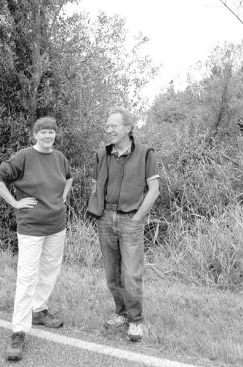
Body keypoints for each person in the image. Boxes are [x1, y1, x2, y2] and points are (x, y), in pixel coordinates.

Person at [0, 116, 73, 361]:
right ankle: (18, 330)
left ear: (56, 135)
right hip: (31, 227)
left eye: (52, 132)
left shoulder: (59, 158)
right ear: (35, 134)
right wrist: (15, 202)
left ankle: (39, 311)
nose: (48, 136)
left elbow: (69, 177)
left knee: (49, 270)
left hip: (57, 226)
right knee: (27, 277)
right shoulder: (24, 156)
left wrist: (64, 197)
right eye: (43, 132)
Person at [87, 107, 159, 342]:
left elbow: (154, 190)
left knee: (132, 274)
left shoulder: (146, 153)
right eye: (107, 126)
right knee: (111, 274)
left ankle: (135, 321)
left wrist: (137, 218)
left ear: (127, 128)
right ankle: (121, 313)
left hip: (131, 220)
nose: (109, 130)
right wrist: (98, 211)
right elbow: (96, 185)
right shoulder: (101, 155)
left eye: (113, 126)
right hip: (105, 219)